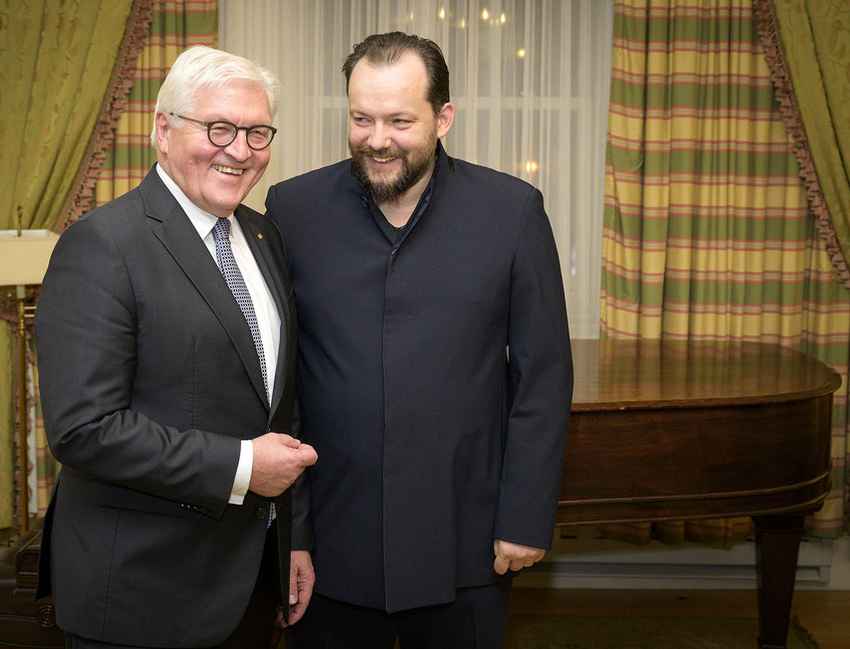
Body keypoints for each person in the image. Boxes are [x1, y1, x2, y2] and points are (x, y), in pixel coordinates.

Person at [265, 32, 573, 649]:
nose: (377, 140)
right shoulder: (291, 208)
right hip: (331, 543)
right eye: (361, 119)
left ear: (443, 118)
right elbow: (282, 383)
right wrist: (294, 532)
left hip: (469, 538)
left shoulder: (512, 211)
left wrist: (525, 518)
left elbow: (543, 376)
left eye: (400, 120)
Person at [34, 45, 318, 649]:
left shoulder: (264, 235)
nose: (240, 151)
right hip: (142, 591)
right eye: (218, 128)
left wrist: (293, 537)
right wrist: (243, 467)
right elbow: (84, 429)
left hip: (249, 581)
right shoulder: (102, 246)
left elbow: (278, 402)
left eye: (258, 133)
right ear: (163, 130)